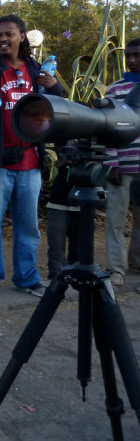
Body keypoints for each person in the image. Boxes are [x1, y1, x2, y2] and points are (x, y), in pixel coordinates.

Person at [0, 14, 62, 304]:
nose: (3, 39)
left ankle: (27, 278)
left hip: (30, 163)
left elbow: (59, 103)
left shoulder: (35, 70)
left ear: (22, 37)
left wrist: (53, 85)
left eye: (9, 34)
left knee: (28, 226)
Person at [103, 38, 140, 286]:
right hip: (122, 166)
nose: (132, 60)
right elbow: (107, 128)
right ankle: (117, 268)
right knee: (115, 219)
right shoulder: (115, 90)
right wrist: (111, 162)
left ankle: (136, 262)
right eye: (129, 55)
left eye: (137, 55)